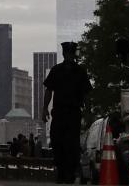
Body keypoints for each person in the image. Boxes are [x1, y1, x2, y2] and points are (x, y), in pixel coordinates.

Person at [43, 41, 93, 184]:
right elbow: (49, 90)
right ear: (65, 54)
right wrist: (44, 108)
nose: (70, 56)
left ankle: (69, 173)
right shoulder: (56, 70)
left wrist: (87, 113)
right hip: (59, 112)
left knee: (71, 144)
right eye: (68, 53)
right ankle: (61, 171)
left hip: (73, 112)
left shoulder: (80, 71)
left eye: (71, 53)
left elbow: (86, 95)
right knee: (57, 141)